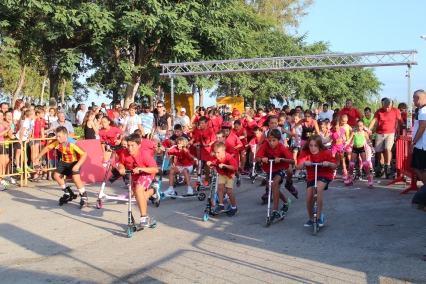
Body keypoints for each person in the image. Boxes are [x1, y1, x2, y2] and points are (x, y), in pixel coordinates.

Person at [34, 126, 88, 208]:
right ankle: (68, 193)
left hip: (74, 162)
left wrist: (77, 165)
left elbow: (84, 154)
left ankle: (84, 197)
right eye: (56, 136)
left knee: (76, 179)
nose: (57, 138)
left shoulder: (73, 143)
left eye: (59, 136)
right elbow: (47, 148)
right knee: (56, 176)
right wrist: (38, 158)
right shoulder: (56, 142)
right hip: (64, 161)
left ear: (66, 135)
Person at [117, 133, 160, 228]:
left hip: (147, 173)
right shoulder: (124, 153)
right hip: (134, 175)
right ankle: (153, 191)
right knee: (139, 196)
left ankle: (143, 217)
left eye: (133, 145)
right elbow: (120, 163)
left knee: (138, 190)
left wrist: (141, 169)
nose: (130, 148)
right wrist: (121, 168)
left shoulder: (144, 154)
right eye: (128, 145)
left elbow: (155, 169)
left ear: (139, 145)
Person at [296, 135, 337, 227]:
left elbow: (335, 165)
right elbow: (298, 166)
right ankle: (311, 218)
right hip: (311, 176)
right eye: (311, 145)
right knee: (309, 198)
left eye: (315, 146)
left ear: (319, 146)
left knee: (317, 190)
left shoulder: (325, 152)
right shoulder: (305, 153)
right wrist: (303, 163)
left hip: (324, 175)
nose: (313, 148)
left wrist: (329, 164)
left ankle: (318, 218)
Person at [255, 129, 297, 221]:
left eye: (274, 140)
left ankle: (275, 210)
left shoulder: (281, 147)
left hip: (280, 168)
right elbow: (257, 157)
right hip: (269, 168)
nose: (271, 143)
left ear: (278, 140)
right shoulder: (265, 145)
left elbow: (292, 161)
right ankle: (286, 202)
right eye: (269, 140)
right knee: (273, 188)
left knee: (274, 184)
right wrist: (262, 159)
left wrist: (282, 159)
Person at [368, 98, 403, 178]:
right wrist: (369, 129)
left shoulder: (395, 111)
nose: (387, 109)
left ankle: (388, 166)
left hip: (390, 133)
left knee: (387, 148)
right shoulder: (379, 111)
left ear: (391, 106)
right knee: (378, 150)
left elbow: (400, 120)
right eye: (385, 107)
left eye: (389, 107)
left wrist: (403, 128)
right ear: (383, 105)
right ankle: (382, 166)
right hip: (380, 133)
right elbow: (374, 120)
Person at [206, 142, 239, 216]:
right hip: (221, 174)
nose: (216, 154)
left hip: (230, 174)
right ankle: (221, 204)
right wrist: (209, 163)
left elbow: (234, 167)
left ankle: (234, 207)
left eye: (218, 152)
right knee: (220, 188)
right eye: (215, 152)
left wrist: (224, 165)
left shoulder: (229, 157)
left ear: (224, 152)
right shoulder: (215, 157)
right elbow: (211, 163)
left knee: (228, 191)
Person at [345, 120, 374, 187]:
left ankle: (369, 178)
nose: (359, 127)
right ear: (356, 126)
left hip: (361, 149)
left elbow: (368, 141)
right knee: (351, 164)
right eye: (357, 126)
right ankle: (350, 176)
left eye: (360, 126)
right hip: (355, 149)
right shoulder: (354, 132)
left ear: (363, 126)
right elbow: (349, 139)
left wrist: (372, 147)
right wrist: (345, 145)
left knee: (365, 164)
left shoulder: (364, 133)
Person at [190, 116, 216, 186]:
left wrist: (209, 144)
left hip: (209, 151)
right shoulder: (199, 131)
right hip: (202, 150)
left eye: (202, 123)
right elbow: (198, 141)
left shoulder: (210, 130)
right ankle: (198, 180)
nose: (200, 125)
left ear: (206, 123)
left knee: (207, 165)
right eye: (200, 123)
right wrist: (195, 143)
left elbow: (213, 140)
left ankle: (206, 180)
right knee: (199, 165)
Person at [409, 89, 426, 185]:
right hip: (419, 144)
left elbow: (422, 126)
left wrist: (413, 142)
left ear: (418, 98)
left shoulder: (424, 110)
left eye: (414, 98)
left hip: (422, 145)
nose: (413, 101)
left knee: (423, 169)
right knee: (414, 166)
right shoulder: (421, 110)